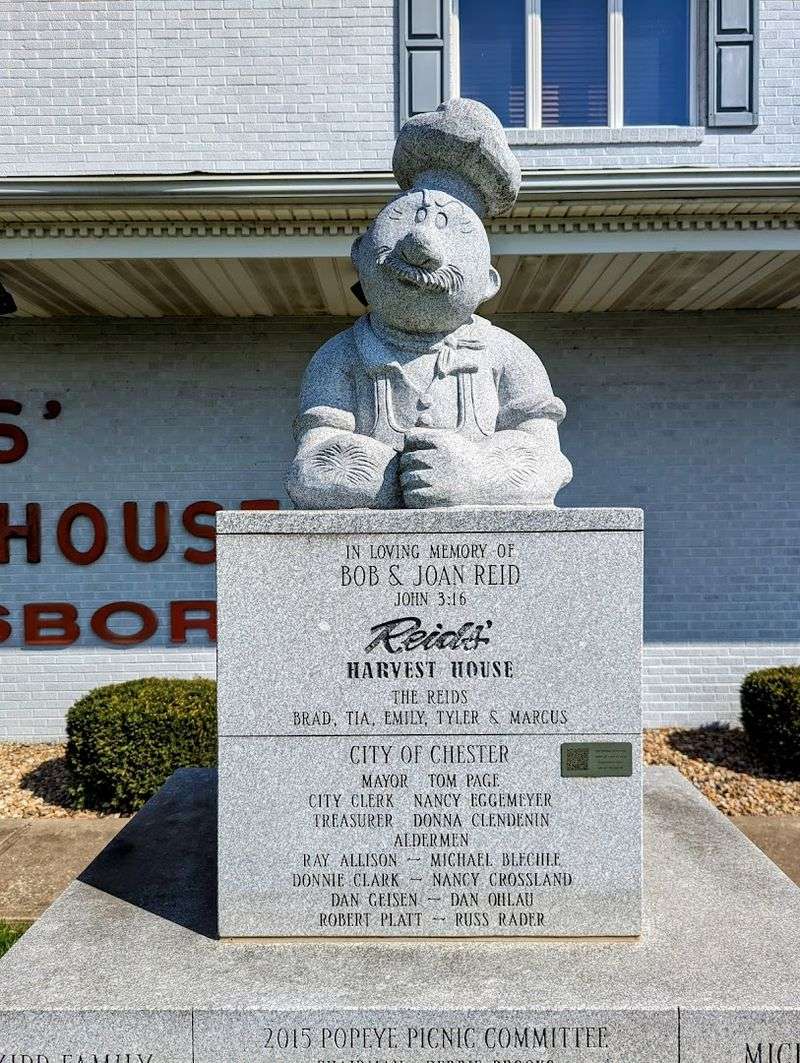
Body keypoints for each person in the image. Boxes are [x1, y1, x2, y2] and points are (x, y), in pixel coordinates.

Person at [287, 98, 572, 509]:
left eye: (453, 230)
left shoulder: (508, 355)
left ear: (488, 283)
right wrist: (383, 476)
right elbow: (309, 465)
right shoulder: (340, 356)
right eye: (404, 218)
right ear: (359, 254)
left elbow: (547, 459)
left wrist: (475, 475)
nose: (420, 246)